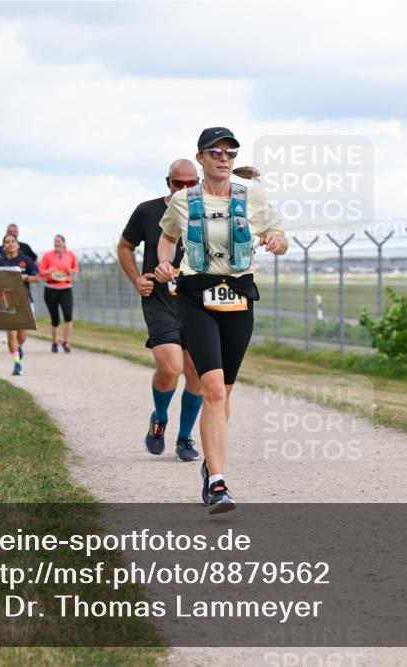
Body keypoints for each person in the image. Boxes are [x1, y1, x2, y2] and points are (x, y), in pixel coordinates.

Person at [154, 128, 287, 511]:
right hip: (196, 296)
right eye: (216, 152)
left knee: (224, 394)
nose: (224, 158)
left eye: (230, 152)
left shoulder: (252, 196)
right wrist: (165, 261)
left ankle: (212, 461)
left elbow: (278, 235)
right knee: (211, 388)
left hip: (239, 297)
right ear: (201, 158)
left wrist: (276, 242)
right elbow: (167, 236)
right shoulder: (183, 200)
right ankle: (217, 483)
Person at [119, 159, 205, 463]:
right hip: (159, 300)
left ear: (199, 181)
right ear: (167, 182)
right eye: (176, 184)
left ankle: (185, 438)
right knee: (170, 367)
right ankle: (159, 418)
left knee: (195, 371)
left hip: (197, 300)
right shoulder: (148, 211)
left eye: (189, 184)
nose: (183, 189)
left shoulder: (209, 211)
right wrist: (136, 279)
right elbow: (125, 247)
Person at [0, 232, 39, 376]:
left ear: (17, 244)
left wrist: (25, 277)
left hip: (25, 299)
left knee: (21, 335)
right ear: (3, 246)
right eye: (7, 242)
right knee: (11, 334)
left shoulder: (25, 260)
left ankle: (19, 346)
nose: (10, 243)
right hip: (7, 301)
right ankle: (17, 363)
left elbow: (37, 278)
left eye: (12, 241)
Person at [38, 234, 78, 353]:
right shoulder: (47, 255)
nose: (57, 244)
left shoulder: (70, 255)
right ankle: (54, 342)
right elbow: (41, 271)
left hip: (66, 288)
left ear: (64, 243)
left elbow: (75, 269)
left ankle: (66, 342)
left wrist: (71, 271)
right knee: (55, 318)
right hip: (51, 288)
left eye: (59, 242)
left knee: (68, 315)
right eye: (55, 242)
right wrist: (49, 271)